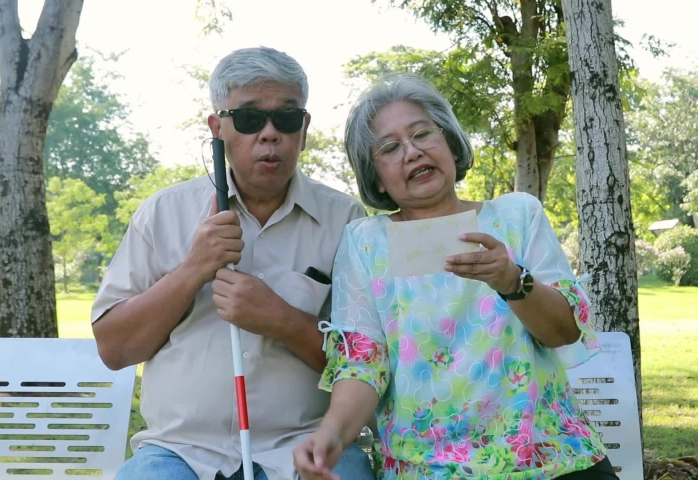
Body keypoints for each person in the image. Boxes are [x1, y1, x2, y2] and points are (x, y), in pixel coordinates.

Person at [292, 73, 620, 480]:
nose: (412, 152)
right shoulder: (366, 242)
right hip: (428, 468)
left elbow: (564, 333)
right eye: (391, 148)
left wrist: (514, 282)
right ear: (374, 175)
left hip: (552, 457)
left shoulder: (516, 215)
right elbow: (362, 365)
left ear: (448, 141)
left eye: (422, 134)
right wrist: (332, 435)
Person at [90, 46, 375, 480]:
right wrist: (192, 270)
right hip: (181, 451)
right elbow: (114, 349)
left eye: (286, 118)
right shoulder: (163, 213)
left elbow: (366, 360)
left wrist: (282, 321)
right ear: (217, 127)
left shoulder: (346, 220)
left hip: (306, 443)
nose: (269, 134)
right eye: (248, 118)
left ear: (304, 127)